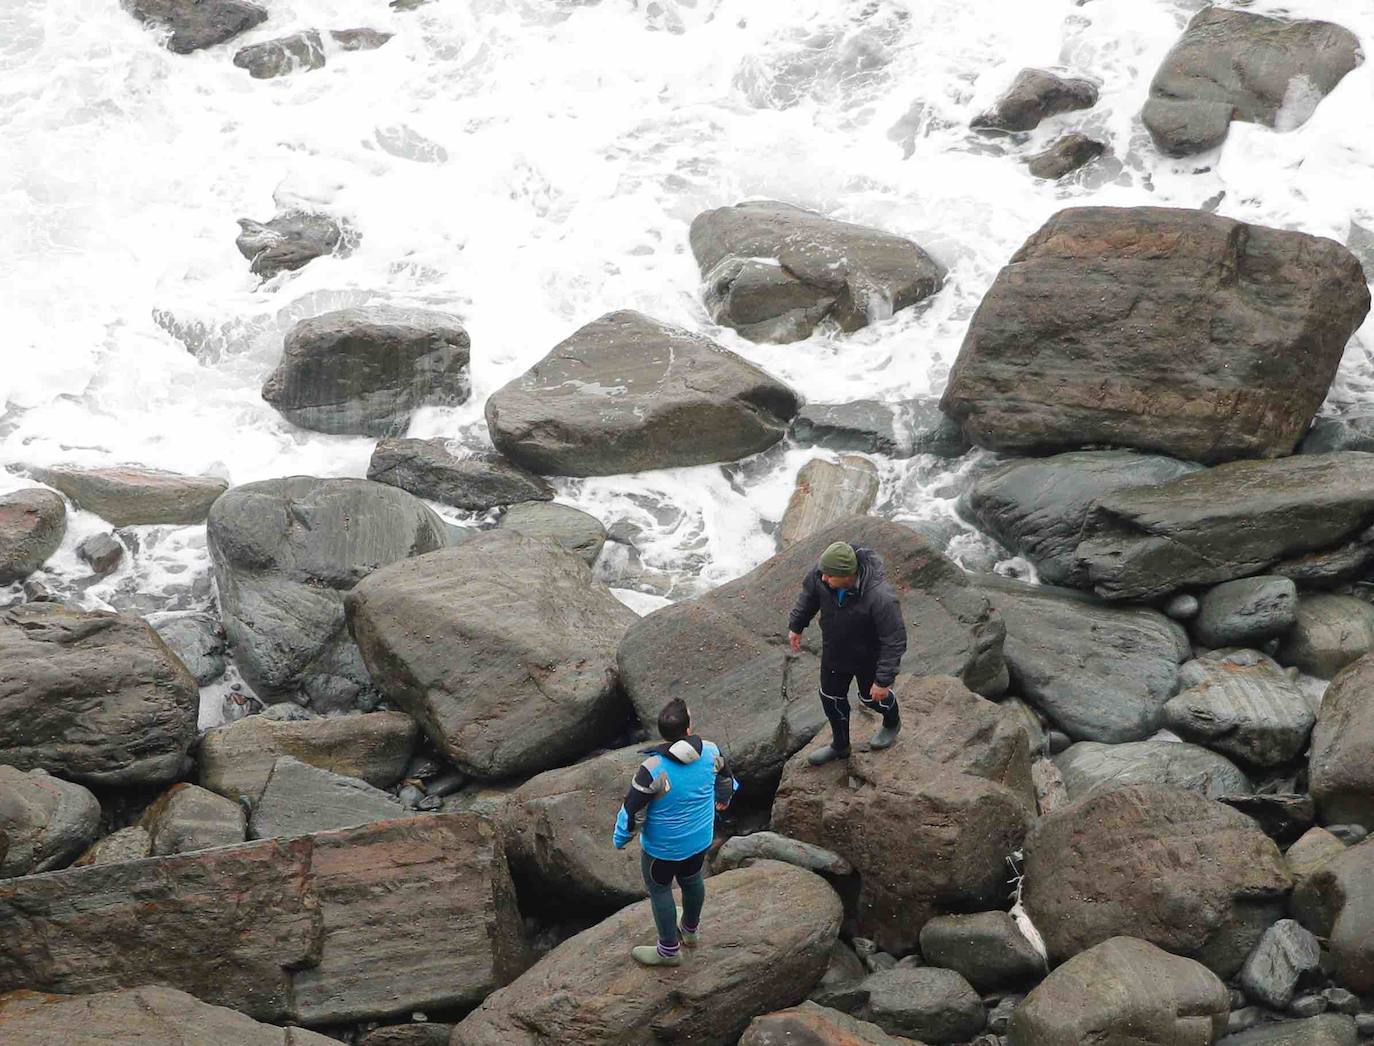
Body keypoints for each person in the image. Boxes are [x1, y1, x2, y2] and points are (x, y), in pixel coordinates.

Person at [612, 697, 736, 967]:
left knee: (660, 890)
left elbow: (632, 811)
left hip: (663, 849)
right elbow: (727, 778)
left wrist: (621, 838)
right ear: (689, 729)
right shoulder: (712, 750)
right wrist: (724, 799)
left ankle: (668, 951)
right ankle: (690, 931)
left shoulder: (653, 768)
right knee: (692, 880)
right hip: (700, 838)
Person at [787, 539, 907, 766]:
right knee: (830, 698)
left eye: (829, 576)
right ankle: (840, 745)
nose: (823, 578)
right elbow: (808, 596)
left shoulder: (880, 597)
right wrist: (796, 625)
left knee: (870, 697)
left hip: (867, 656)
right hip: (835, 649)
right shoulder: (824, 573)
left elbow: (895, 639)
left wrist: (883, 680)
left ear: (848, 574)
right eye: (822, 573)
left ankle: (892, 722)